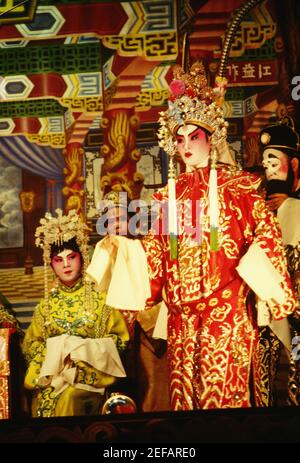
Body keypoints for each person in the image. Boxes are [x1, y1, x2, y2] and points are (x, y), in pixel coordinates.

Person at [87, 61, 297, 410]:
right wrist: (123, 249)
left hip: (227, 311)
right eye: (179, 138)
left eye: (193, 137)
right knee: (186, 403)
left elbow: (266, 234)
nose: (185, 146)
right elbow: (155, 258)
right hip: (182, 318)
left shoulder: (239, 188)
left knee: (223, 399)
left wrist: (264, 286)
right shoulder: (170, 196)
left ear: (211, 139)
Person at [22, 208, 129, 417]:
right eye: (58, 260)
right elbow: (30, 345)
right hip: (52, 380)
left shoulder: (101, 301)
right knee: (47, 400)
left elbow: (120, 340)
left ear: (82, 258)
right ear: (51, 264)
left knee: (71, 397)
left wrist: (82, 352)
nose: (66, 264)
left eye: (71, 257)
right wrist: (57, 354)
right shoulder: (45, 307)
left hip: (90, 381)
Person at [97, 191, 171, 412]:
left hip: (145, 331)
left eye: (120, 219)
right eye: (109, 221)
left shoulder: (147, 250)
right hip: (113, 333)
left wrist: (139, 315)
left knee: (153, 394)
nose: (115, 225)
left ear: (131, 220)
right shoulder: (101, 252)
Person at [260, 117, 300, 405]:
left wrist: (290, 204)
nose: (268, 169)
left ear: (294, 165)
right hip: (271, 304)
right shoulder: (262, 202)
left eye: (274, 162)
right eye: (265, 163)